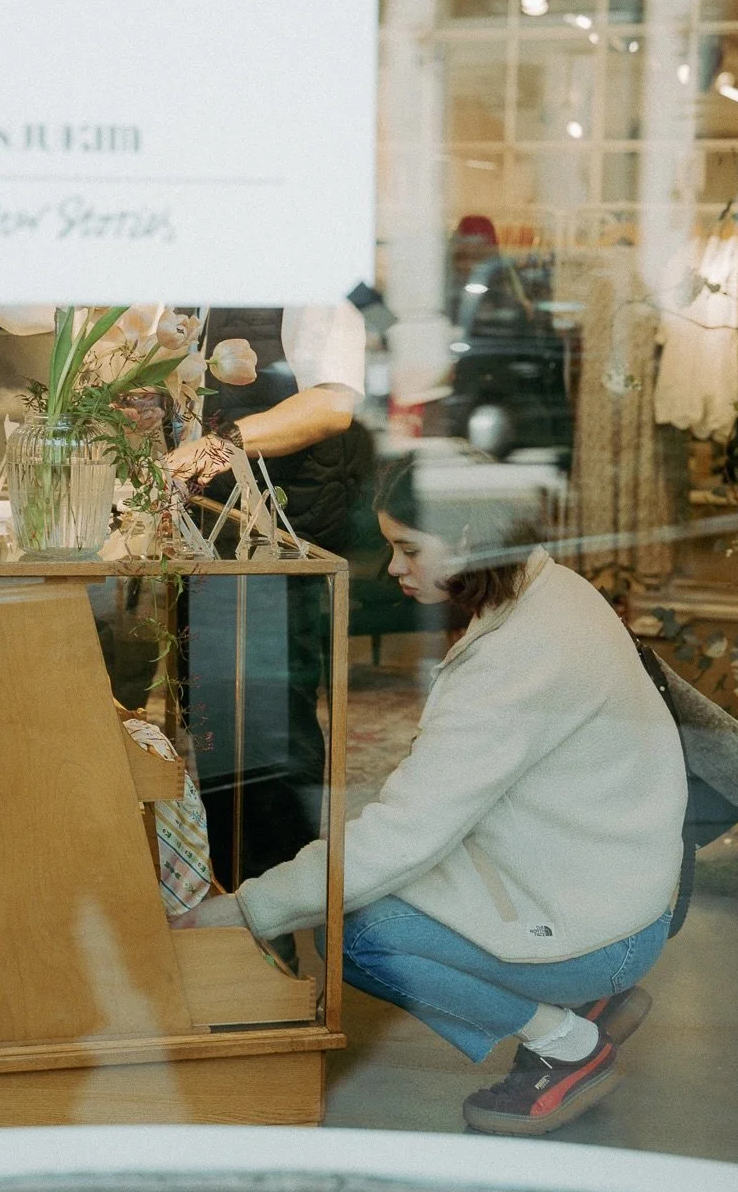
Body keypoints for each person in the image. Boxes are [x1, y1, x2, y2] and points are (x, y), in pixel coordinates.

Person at [173, 449, 687, 1137]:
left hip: (607, 922)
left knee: (356, 933)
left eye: (408, 548)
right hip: (613, 883)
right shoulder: (548, 586)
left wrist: (239, 914)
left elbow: (402, 837)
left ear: (470, 539)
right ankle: (577, 1002)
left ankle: (569, 1046)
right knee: (369, 882)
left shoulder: (516, 659)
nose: (393, 567)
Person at [164, 304, 368, 901]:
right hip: (210, 531)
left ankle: (281, 913)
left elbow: (331, 405)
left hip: (280, 535)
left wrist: (211, 452)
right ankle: (236, 903)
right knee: (215, 723)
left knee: (271, 729)